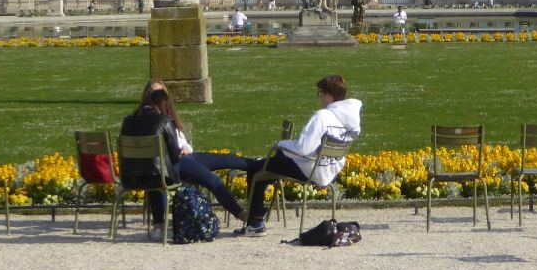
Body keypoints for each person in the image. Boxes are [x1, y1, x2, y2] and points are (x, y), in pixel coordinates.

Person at [192, 75, 362, 237]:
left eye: (321, 93)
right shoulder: (351, 122)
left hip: (308, 169)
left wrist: (281, 145)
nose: (320, 98)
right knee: (271, 164)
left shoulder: (323, 116)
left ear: (328, 94)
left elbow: (303, 148)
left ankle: (255, 223)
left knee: (257, 170)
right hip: (328, 171)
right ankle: (257, 215)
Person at [121, 81, 249, 232]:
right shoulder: (164, 121)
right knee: (212, 180)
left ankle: (158, 225)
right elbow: (175, 155)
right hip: (166, 171)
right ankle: (242, 214)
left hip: (133, 175)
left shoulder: (127, 121)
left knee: (160, 174)